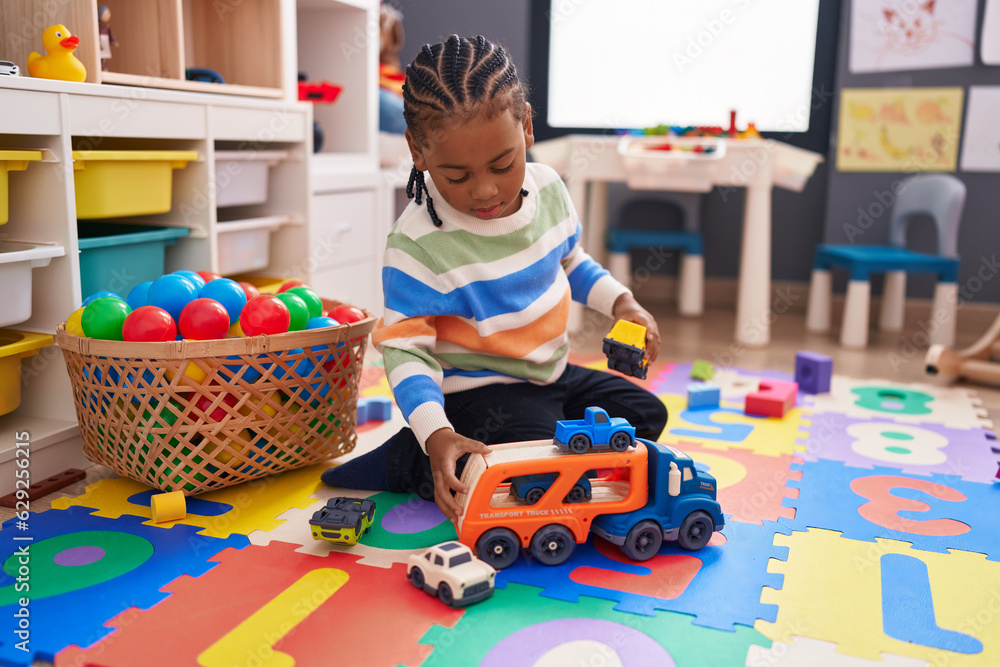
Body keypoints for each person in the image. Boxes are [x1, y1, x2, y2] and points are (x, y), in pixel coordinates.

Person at [322, 35, 668, 522]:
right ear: (417, 151)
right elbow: (407, 351)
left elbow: (571, 262)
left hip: (552, 374)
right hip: (477, 394)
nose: (485, 191)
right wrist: (435, 430)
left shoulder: (548, 188)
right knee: (535, 471)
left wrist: (625, 306)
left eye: (502, 165)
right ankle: (414, 459)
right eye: (457, 177)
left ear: (526, 126)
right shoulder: (417, 243)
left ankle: (537, 451)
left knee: (646, 418)